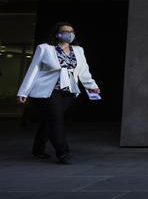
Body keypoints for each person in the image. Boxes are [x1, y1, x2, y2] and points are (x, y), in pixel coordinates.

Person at [16, 21, 100, 164]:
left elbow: (83, 71)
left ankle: (38, 148)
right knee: (56, 120)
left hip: (68, 91)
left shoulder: (78, 50)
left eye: (72, 31)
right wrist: (23, 92)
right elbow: (33, 70)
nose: (69, 34)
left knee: (51, 120)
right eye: (66, 31)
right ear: (57, 34)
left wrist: (92, 87)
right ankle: (63, 153)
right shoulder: (45, 48)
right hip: (48, 90)